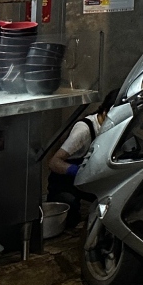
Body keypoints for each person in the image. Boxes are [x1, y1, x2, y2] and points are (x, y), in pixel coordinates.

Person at [47, 89, 118, 229]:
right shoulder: (84, 129)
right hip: (65, 180)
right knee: (69, 219)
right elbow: (54, 162)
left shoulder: (115, 128)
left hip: (90, 179)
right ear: (104, 112)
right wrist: (77, 171)